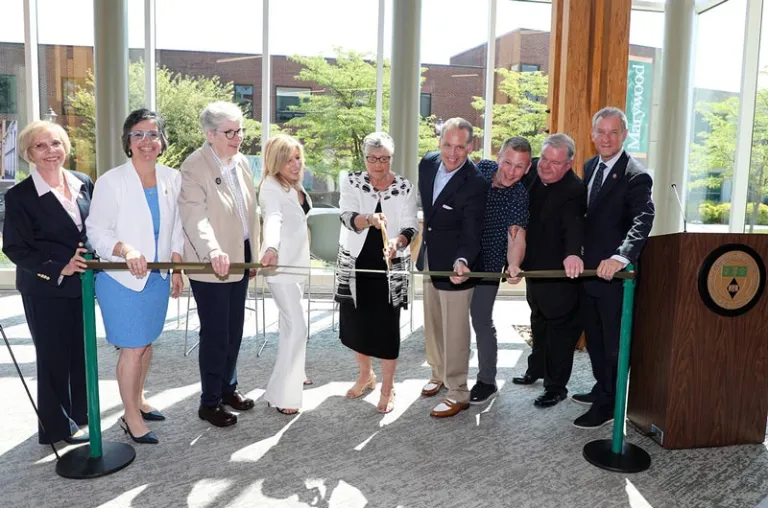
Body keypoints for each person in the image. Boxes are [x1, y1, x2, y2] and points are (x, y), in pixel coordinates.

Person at [86, 109, 184, 444]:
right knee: (132, 346)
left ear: (162, 141)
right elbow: (96, 232)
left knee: (146, 341)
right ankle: (129, 416)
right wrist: (125, 249)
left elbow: (176, 228)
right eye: (138, 134)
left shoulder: (172, 178)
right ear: (128, 141)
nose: (146, 141)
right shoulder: (111, 181)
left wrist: (176, 266)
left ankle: (138, 399)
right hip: (121, 280)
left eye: (153, 134)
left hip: (156, 277)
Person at [1, 120, 93, 445]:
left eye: (55, 143)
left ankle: (81, 415)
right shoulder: (20, 196)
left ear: (65, 147)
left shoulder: (82, 182)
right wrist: (58, 268)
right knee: (53, 357)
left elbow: (91, 230)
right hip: (45, 288)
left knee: (80, 353)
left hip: (81, 285)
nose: (50, 151)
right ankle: (56, 427)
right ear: (29, 154)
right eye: (40, 146)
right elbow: (14, 247)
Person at [179, 101, 260, 428]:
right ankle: (209, 402)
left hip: (238, 255)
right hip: (211, 262)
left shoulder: (240, 161)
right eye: (230, 132)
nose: (238, 137)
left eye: (240, 130)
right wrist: (212, 251)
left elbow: (250, 212)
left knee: (234, 330)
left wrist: (251, 254)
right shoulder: (194, 166)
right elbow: (194, 216)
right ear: (210, 134)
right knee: (216, 333)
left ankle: (228, 388)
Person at [573, 107, 654, 429]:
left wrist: (621, 257)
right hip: (589, 274)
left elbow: (642, 220)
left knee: (612, 346)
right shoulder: (591, 165)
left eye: (614, 132)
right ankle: (601, 387)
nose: (607, 138)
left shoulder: (636, 174)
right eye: (601, 132)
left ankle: (610, 402)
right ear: (593, 136)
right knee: (593, 338)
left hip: (615, 276)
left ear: (624, 135)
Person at [336, 132, 419, 414]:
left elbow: (410, 227)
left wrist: (397, 243)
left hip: (390, 266)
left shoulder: (405, 186)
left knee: (386, 328)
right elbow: (346, 216)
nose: (378, 165)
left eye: (384, 159)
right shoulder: (352, 181)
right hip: (357, 262)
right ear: (365, 158)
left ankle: (387, 386)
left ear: (390, 158)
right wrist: (368, 219)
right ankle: (365, 375)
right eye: (372, 158)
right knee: (357, 323)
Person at [416, 117, 488, 418]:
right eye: (448, 145)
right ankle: (438, 373)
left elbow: (472, 232)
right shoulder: (428, 163)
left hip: (459, 265)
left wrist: (462, 261)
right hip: (431, 256)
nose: (453, 153)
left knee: (455, 330)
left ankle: (458, 390)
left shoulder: (475, 183)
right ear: (439, 143)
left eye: (461, 147)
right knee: (432, 322)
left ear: (470, 146)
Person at [508, 134, 586, 408]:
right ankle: (536, 369)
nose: (547, 166)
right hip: (534, 269)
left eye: (555, 162)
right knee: (538, 321)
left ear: (568, 164)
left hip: (560, 273)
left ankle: (556, 387)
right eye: (545, 159)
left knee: (559, 330)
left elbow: (574, 225)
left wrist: (573, 253)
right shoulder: (534, 170)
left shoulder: (574, 190)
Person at [469, 137, 530, 405]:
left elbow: (516, 235)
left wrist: (514, 264)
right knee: (453, 322)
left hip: (490, 263)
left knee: (481, 320)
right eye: (507, 163)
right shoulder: (479, 169)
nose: (511, 172)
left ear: (527, 169)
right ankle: (447, 377)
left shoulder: (519, 194)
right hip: (460, 256)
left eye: (519, 167)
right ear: (498, 157)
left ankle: (486, 381)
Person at [258, 134, 312, 415]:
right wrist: (270, 247)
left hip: (296, 266)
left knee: (289, 326)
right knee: (298, 327)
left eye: (297, 157)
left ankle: (296, 371)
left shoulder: (293, 184)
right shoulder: (270, 187)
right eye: (288, 158)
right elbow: (273, 219)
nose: (295, 163)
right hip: (279, 267)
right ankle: (281, 394)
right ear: (275, 161)